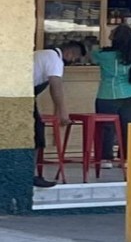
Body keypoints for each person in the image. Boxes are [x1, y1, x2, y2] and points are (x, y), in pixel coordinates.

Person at [33, 41, 85, 188]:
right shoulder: (55, 60)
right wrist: (63, 112)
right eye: (75, 58)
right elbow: (56, 86)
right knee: (36, 135)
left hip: (23, 94)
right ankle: (31, 175)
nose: (73, 61)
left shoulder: (43, 54)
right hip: (23, 95)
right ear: (69, 52)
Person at [92, 25, 131, 167]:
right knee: (127, 127)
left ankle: (105, 159)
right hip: (130, 93)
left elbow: (91, 54)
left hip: (107, 94)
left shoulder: (103, 55)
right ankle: (125, 158)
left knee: (106, 127)